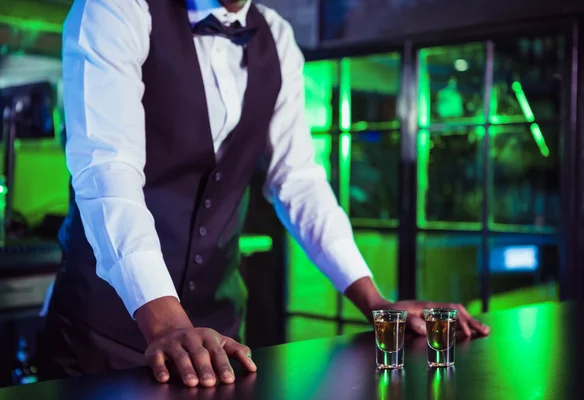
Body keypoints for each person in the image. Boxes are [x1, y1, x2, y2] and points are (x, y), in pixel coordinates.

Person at [41, 0, 490, 388]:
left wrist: (375, 303)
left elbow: (299, 180)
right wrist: (167, 322)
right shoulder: (116, 9)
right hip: (101, 339)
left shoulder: (277, 36)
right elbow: (106, 168)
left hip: (219, 340)